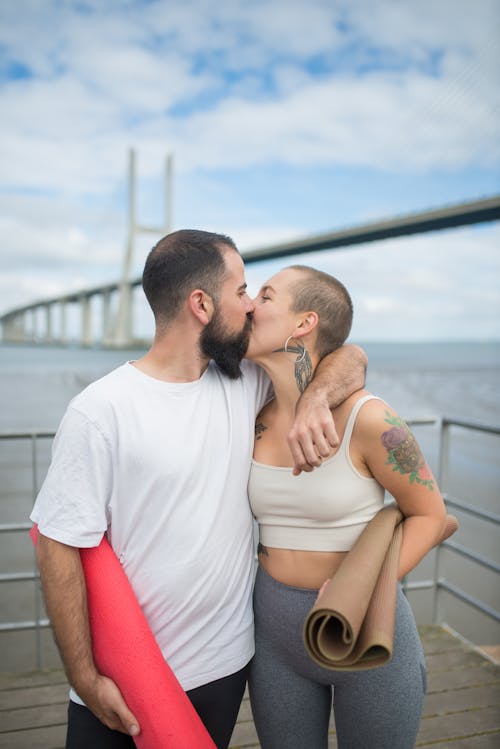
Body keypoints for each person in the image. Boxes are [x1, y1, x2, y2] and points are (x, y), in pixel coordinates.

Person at [30, 230, 367, 749]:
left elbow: (349, 357)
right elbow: (57, 545)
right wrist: (83, 676)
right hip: (125, 674)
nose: (251, 305)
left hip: (224, 666)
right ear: (202, 304)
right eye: (242, 291)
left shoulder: (244, 382)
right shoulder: (101, 411)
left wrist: (318, 396)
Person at [246, 264, 449, 749]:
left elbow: (430, 514)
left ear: (304, 323)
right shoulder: (249, 406)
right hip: (272, 635)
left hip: (366, 632)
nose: (251, 304)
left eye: (267, 296)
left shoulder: (369, 418)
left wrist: (360, 589)